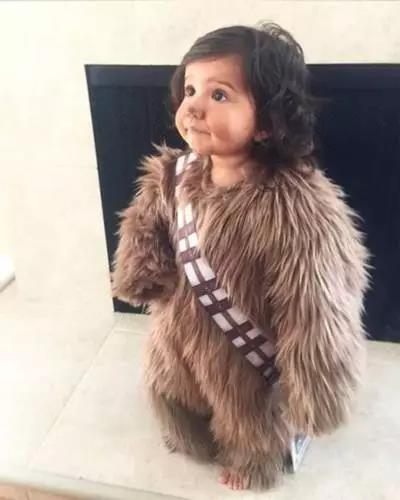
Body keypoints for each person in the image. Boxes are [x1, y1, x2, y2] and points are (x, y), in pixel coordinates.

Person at [111, 21, 372, 491]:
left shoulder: (297, 208)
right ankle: (188, 430)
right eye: (190, 89)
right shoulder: (174, 174)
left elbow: (317, 306)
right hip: (176, 336)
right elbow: (145, 225)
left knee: (245, 414)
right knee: (170, 390)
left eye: (219, 95)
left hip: (243, 357)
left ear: (268, 121)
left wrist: (317, 388)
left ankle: (254, 462)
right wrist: (139, 270)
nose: (193, 106)